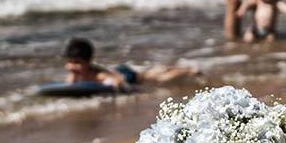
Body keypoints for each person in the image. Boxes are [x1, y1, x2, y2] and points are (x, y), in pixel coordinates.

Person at [62, 37, 200, 91]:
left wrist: (115, 85)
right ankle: (174, 67)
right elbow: (70, 84)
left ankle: (189, 71)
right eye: (70, 62)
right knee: (152, 72)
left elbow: (115, 80)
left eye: (77, 63)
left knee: (156, 77)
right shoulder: (76, 73)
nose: (72, 67)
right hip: (118, 70)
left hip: (128, 76)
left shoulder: (97, 75)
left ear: (89, 61)